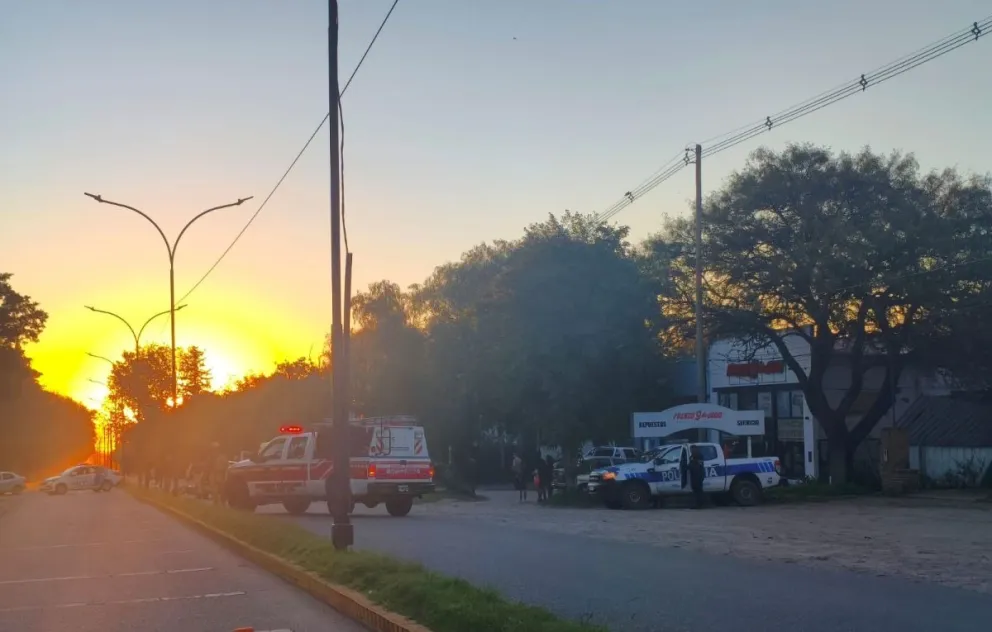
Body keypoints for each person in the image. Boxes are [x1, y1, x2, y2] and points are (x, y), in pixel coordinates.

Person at [687, 445, 706, 509]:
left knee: (697, 490)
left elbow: (695, 465)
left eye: (691, 449)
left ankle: (699, 504)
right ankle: (700, 504)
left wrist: (690, 464)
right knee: (698, 490)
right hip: (697, 474)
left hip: (697, 475)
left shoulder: (697, 456)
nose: (690, 450)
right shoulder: (695, 456)